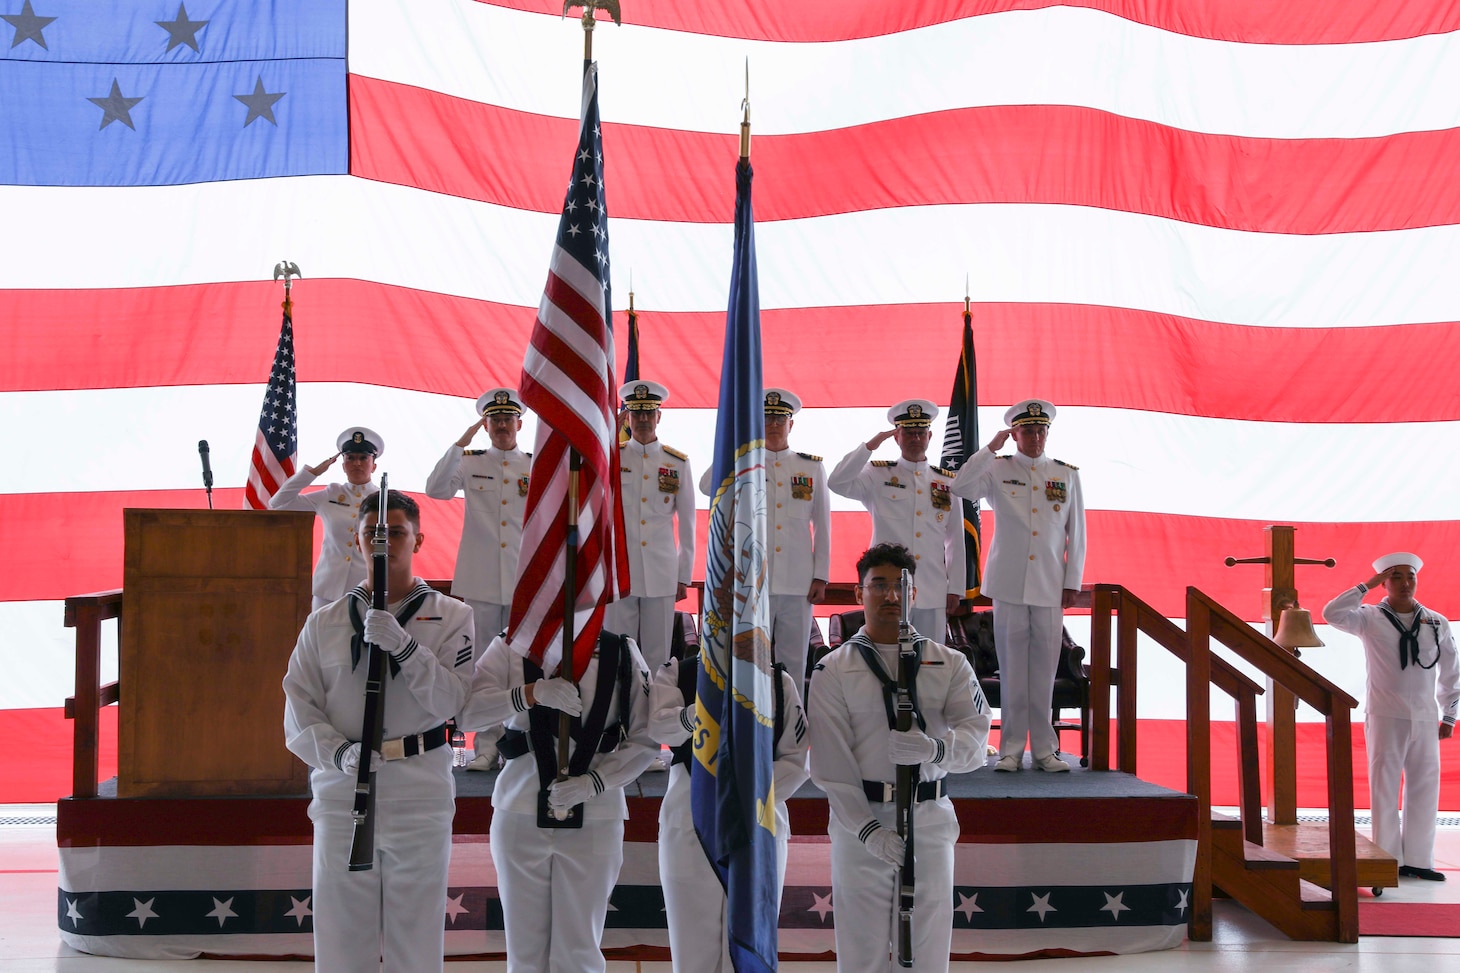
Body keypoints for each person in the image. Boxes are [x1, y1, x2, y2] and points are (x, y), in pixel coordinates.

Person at [282, 491, 474, 972]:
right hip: (344, 792)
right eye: (372, 533)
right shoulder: (323, 623)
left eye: (396, 533)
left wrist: (408, 649)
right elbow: (298, 709)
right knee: (343, 938)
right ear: (357, 539)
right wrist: (339, 753)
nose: (383, 542)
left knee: (416, 937)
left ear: (419, 539)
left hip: (419, 790)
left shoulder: (453, 617)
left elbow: (455, 704)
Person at [807, 543, 991, 973]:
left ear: (913, 593)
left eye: (899, 586)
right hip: (861, 824)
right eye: (879, 585)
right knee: (861, 951)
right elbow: (832, 768)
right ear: (859, 594)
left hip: (928, 817)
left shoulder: (949, 662)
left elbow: (976, 744)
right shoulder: (832, 669)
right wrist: (869, 830)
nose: (890, 595)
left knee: (926, 951)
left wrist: (936, 749)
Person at [460, 629, 657, 972]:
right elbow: (467, 714)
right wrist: (527, 695)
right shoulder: (511, 645)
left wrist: (598, 781)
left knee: (579, 950)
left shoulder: (621, 652)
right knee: (524, 952)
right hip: (520, 807)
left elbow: (646, 738)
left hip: (596, 812)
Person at [649, 652, 809, 972]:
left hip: (759, 822)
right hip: (691, 822)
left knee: (752, 947)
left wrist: (745, 795)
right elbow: (657, 728)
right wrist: (697, 713)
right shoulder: (680, 672)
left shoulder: (778, 681)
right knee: (693, 952)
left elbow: (796, 760)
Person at [950, 399, 1085, 773]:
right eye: (1027, 430)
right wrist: (990, 448)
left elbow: (1078, 534)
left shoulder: (1066, 474)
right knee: (1012, 672)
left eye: (1041, 430)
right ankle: (1010, 748)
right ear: (1015, 434)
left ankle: (1045, 749)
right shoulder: (996, 468)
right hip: (1009, 584)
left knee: (1044, 671)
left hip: (1049, 585)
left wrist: (1071, 580)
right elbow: (961, 487)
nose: (1036, 437)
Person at [1323, 552, 1459, 881]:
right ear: (1384, 583)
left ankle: (1418, 860)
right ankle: (1387, 860)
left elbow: (1451, 672)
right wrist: (1365, 585)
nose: (1404, 583)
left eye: (1410, 576)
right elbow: (1332, 614)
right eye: (1395, 577)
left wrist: (1450, 715)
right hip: (1386, 715)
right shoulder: (1369, 617)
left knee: (1425, 785)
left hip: (1425, 717)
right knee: (1384, 786)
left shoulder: (1436, 621)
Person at [423, 388, 531, 770]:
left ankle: (521, 740)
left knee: (520, 663)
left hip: (524, 579)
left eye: (508, 419)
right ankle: (486, 745)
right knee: (484, 665)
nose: (502, 425)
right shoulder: (469, 461)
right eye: (494, 419)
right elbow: (435, 489)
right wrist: (459, 443)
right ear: (484, 425)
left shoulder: (536, 465)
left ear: (520, 423)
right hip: (483, 578)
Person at [699, 387, 830, 695]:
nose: (773, 424)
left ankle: (791, 724)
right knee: (748, 657)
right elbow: (708, 486)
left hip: (797, 581)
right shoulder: (743, 461)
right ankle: (750, 719)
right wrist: (735, 446)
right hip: (751, 582)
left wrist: (821, 575)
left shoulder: (810, 467)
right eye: (767, 418)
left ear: (791, 425)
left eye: (779, 419)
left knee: (793, 660)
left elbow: (823, 525)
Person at [828, 399, 964, 644]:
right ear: (896, 437)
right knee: (885, 655)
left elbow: (955, 539)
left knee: (929, 661)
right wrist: (869, 446)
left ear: (930, 436)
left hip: (931, 587)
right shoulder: (877, 474)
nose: (915, 438)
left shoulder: (947, 482)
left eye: (920, 432)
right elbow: (836, 482)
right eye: (908, 432)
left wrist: (955, 587)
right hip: (887, 589)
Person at [607, 380, 695, 669]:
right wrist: (608, 433)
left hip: (661, 572)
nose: (643, 419)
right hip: (620, 571)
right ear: (627, 417)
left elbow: (687, 525)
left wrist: (683, 575)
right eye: (636, 413)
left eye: (648, 413)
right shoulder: (611, 456)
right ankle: (621, 713)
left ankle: (655, 713)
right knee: (619, 652)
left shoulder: (677, 463)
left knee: (657, 657)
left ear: (659, 416)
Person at [270, 426, 383, 610]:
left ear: (374, 465)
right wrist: (312, 473)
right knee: (321, 638)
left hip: (368, 588)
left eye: (363, 458)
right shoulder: (330, 494)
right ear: (343, 464)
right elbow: (278, 503)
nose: (357, 463)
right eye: (350, 458)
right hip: (327, 589)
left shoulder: (384, 499)